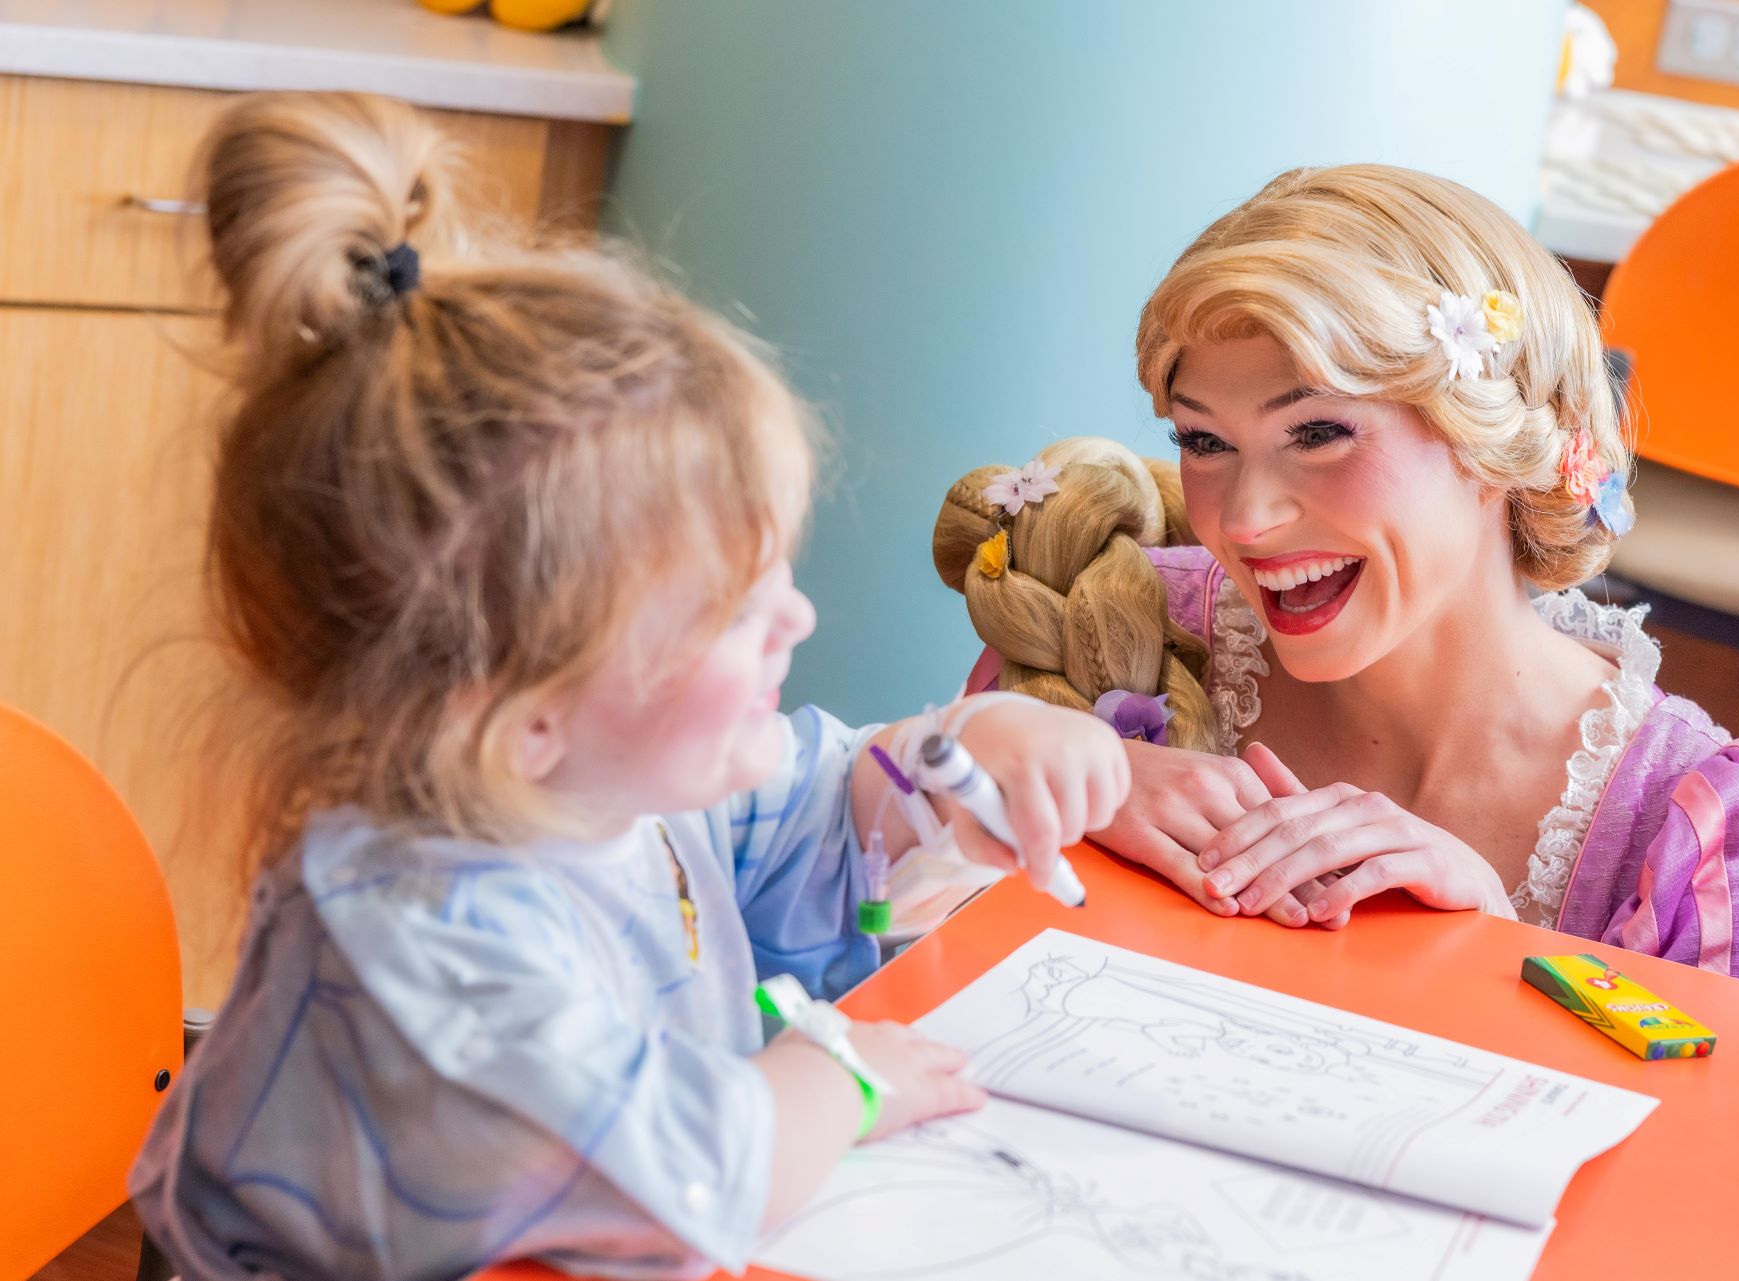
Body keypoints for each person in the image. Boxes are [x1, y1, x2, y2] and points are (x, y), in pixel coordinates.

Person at [131, 91, 1128, 1280]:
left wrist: (944, 763)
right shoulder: (430, 941)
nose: (797, 621)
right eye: (732, 610)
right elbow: (684, 1177)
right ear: (515, 716)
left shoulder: (600, 788)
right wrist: (842, 1076)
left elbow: (791, 816)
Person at [935, 164, 1739, 988]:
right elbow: (890, 935)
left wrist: (1494, 947)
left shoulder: (1700, 824)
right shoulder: (1105, 624)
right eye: (1205, 442)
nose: (1242, 521)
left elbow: (1697, 1145)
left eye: (1318, 434)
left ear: (1491, 441)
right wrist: (1024, 780)